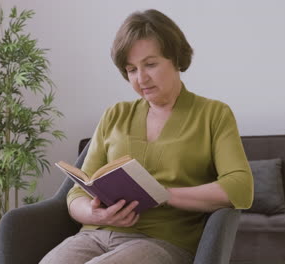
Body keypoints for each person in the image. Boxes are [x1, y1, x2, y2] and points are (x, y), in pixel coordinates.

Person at [40, 9, 253, 264]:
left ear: (176, 59)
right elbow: (76, 194)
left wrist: (163, 194)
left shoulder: (213, 114)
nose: (141, 79)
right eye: (131, 70)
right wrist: (95, 215)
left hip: (165, 241)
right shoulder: (115, 114)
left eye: (150, 64)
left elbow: (240, 186)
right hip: (96, 235)